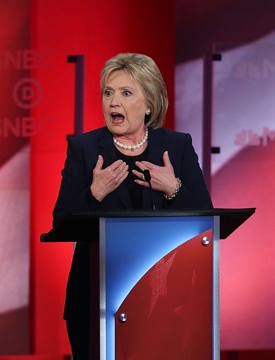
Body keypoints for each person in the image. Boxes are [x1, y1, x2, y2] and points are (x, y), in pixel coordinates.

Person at [51, 53, 213, 359]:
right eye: (108, 93)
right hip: (95, 300)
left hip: (166, 303)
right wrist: (93, 193)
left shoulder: (176, 146)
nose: (114, 102)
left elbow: (206, 216)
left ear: (149, 103)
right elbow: (60, 223)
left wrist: (173, 188)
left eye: (126, 93)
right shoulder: (84, 149)